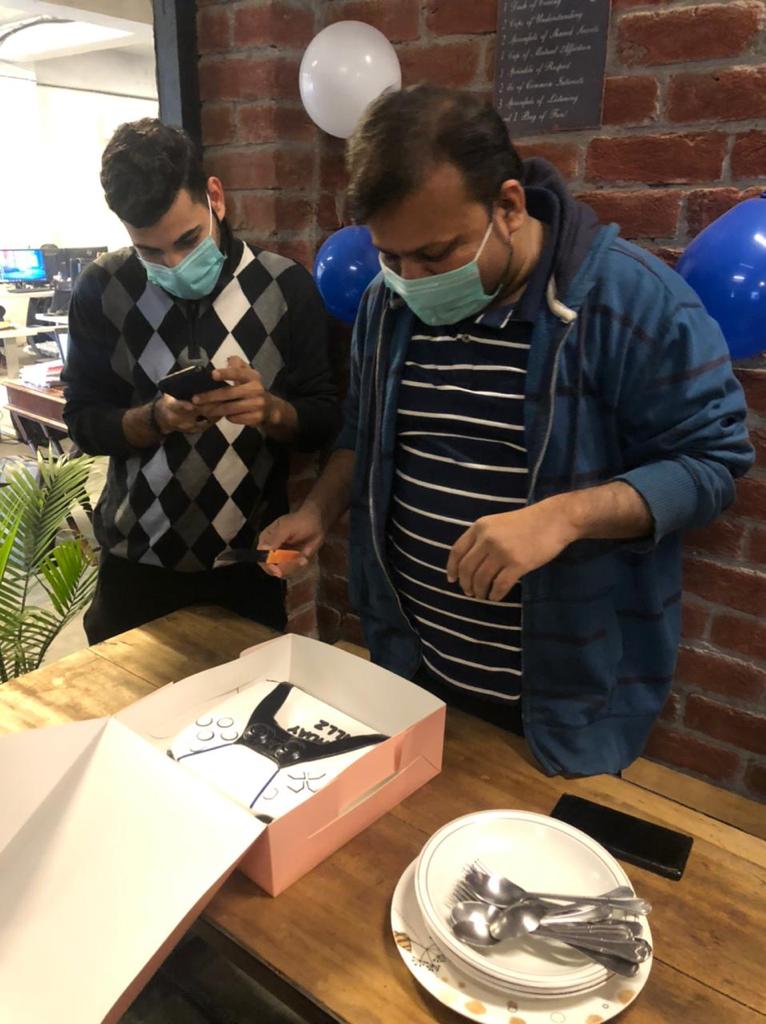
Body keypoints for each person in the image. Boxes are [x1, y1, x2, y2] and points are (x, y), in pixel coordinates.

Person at [258, 86, 753, 778]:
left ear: (509, 206)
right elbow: (362, 433)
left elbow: (711, 465)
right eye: (391, 257)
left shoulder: (633, 300)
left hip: (558, 707)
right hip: (410, 666)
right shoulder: (385, 303)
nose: (411, 281)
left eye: (434, 255)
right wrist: (317, 509)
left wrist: (565, 517)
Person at [63, 119, 340, 643]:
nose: (173, 264)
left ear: (215, 197)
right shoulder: (102, 287)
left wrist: (270, 410)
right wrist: (155, 419)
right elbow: (82, 422)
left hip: (245, 564)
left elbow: (324, 420)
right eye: (150, 252)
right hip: (134, 565)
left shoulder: (285, 286)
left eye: (188, 240)